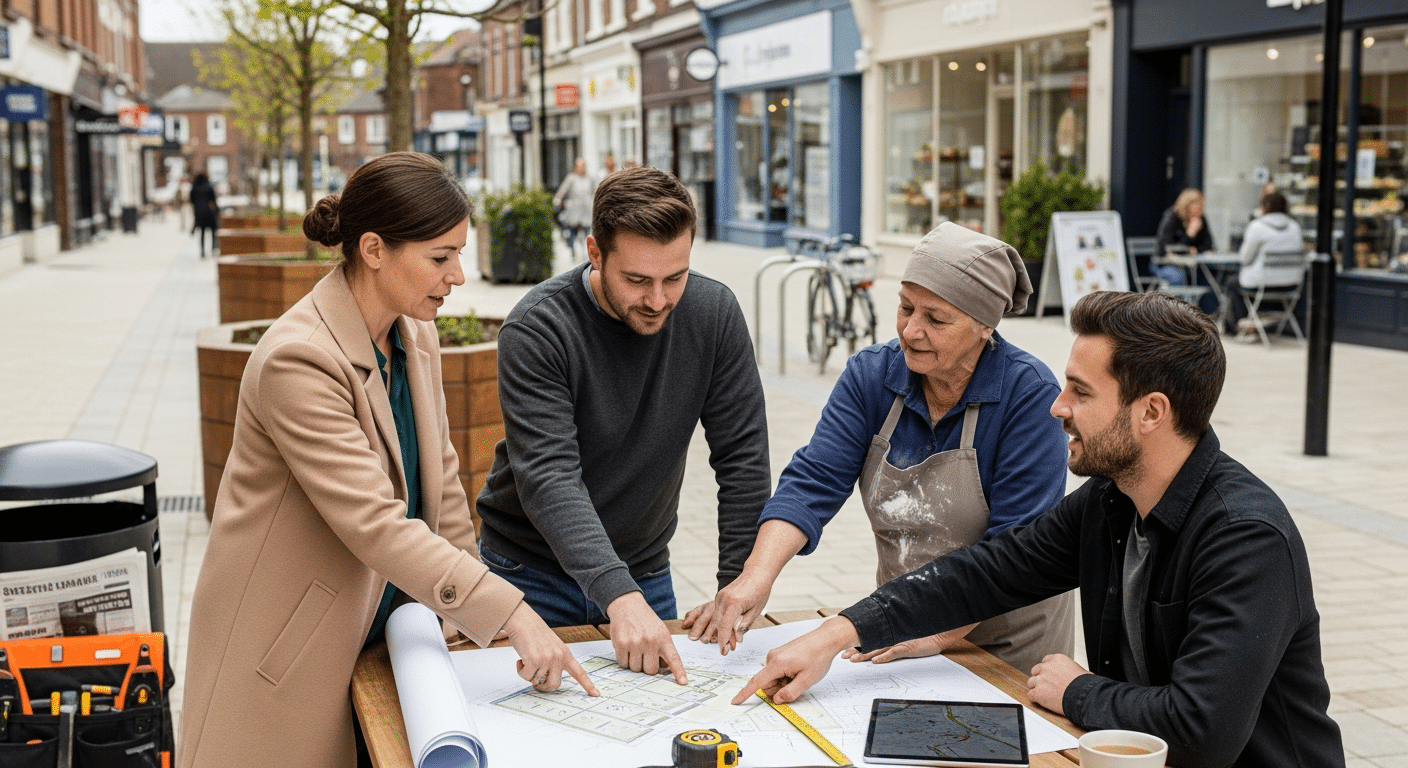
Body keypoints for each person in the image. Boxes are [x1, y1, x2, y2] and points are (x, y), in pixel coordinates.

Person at [733, 290, 1343, 768]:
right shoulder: (1112, 500)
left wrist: (1078, 692)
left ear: (1152, 411)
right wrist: (838, 632)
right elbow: (991, 570)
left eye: (1080, 391)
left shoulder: (1245, 538)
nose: (1058, 407)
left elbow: (1202, 731)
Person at [179, 152, 597, 768]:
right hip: (287, 646)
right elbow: (375, 523)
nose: (458, 274)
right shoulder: (297, 359)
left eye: (460, 252)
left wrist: (474, 626)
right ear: (373, 249)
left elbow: (443, 492)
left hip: (384, 632)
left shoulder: (413, 332)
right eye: (440, 256)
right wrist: (507, 609)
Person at [683, 223, 1074, 674]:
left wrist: (932, 630)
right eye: (905, 307)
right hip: (904, 626)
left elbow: (1014, 551)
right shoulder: (872, 377)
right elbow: (814, 481)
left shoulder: (1029, 396)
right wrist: (756, 576)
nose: (911, 330)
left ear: (985, 326)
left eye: (936, 318)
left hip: (1009, 640)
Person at [476, 165, 770, 684]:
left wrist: (737, 582)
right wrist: (618, 596)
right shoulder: (538, 327)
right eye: (637, 280)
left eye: (674, 277)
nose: (658, 301)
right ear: (595, 252)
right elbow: (549, 477)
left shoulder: (713, 312)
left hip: (644, 571)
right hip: (529, 579)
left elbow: (742, 458)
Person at [1233, 190, 1305, 340]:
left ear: (1264, 208)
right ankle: (1253, 324)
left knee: (1232, 283)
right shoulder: (1295, 227)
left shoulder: (1256, 226)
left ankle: (1241, 326)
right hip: (1291, 284)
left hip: (1261, 285)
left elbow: (1245, 259)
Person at [1153, 188, 1213, 286]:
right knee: (1178, 277)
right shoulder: (1172, 218)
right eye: (1197, 207)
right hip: (1165, 264)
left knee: (1208, 277)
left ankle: (1195, 301)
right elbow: (1166, 248)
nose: (1200, 210)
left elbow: (1208, 245)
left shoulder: (1200, 219)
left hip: (1191, 265)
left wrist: (1195, 250)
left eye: (1201, 207)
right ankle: (1175, 301)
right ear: (1187, 206)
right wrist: (1189, 234)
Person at [554, 157, 595, 261]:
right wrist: (558, 198)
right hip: (575, 209)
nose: (582, 169)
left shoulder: (590, 178)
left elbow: (595, 191)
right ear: (575, 168)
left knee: (587, 232)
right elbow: (563, 190)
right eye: (579, 166)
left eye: (583, 166)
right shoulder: (571, 178)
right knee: (572, 231)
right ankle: (573, 251)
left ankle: (586, 253)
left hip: (587, 210)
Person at [189, 172, 219, 257]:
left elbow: (191, 200)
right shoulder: (208, 186)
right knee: (213, 230)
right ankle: (213, 248)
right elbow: (214, 199)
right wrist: (217, 210)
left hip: (199, 213)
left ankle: (202, 250)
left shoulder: (194, 187)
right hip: (209, 212)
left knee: (202, 232)